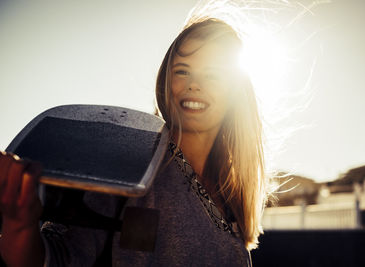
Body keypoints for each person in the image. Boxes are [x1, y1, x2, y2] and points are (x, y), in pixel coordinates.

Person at [0, 16, 266, 266]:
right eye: (182, 71)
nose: (194, 84)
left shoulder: (230, 196)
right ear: (166, 80)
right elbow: (55, 258)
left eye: (213, 75)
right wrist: (19, 225)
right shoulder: (128, 160)